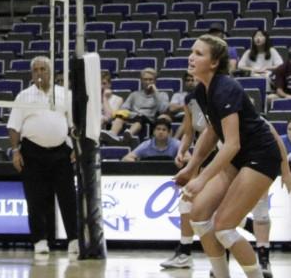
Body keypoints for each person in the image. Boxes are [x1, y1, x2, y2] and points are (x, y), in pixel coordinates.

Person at [175, 34, 291, 278]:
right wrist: (191, 166)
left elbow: (231, 145)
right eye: (192, 52)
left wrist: (202, 178)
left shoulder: (226, 88)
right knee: (198, 217)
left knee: (224, 228)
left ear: (214, 62)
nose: (191, 57)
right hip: (239, 158)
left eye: (198, 53)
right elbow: (211, 131)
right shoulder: (201, 91)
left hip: (260, 156)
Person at [7, 56, 78, 259]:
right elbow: (13, 126)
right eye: (36, 69)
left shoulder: (65, 94)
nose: (39, 73)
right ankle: (40, 240)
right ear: (32, 74)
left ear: (51, 72)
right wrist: (15, 151)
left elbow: (73, 124)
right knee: (35, 198)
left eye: (43, 69)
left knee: (68, 197)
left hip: (60, 151)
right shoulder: (23, 96)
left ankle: (73, 239)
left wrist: (75, 147)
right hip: (33, 152)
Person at [160, 80, 208, 270]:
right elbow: (189, 132)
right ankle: (184, 253)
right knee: (186, 202)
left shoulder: (220, 95)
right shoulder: (190, 100)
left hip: (223, 154)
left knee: (211, 208)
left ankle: (186, 253)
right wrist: (181, 151)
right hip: (204, 154)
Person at [101, 68, 169, 145]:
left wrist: (156, 92)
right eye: (145, 79)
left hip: (148, 119)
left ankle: (128, 135)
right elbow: (124, 108)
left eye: (150, 80)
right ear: (141, 81)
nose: (148, 82)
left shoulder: (162, 95)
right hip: (133, 116)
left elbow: (163, 109)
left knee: (140, 118)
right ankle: (112, 134)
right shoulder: (134, 95)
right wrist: (129, 113)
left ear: (155, 81)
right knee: (120, 114)